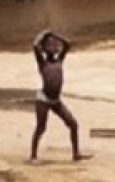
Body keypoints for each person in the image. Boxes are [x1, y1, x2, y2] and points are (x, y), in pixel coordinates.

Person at [30, 30, 91, 162]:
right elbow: (35, 46)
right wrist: (44, 34)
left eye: (54, 45)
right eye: (49, 46)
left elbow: (68, 44)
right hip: (43, 99)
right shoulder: (43, 63)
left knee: (73, 124)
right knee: (41, 127)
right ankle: (33, 156)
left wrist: (55, 35)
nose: (52, 48)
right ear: (44, 49)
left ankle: (76, 154)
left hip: (55, 100)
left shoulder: (59, 60)